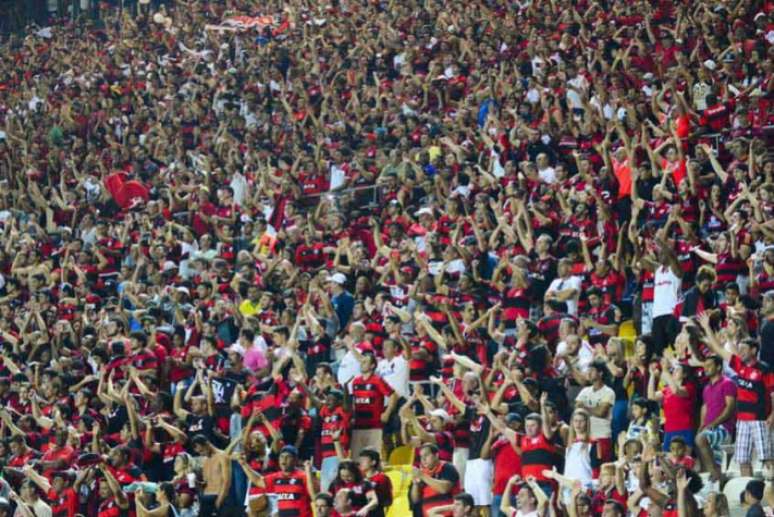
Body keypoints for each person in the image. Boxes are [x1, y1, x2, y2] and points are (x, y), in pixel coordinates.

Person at [237, 445, 315, 517]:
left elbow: (314, 496)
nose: (284, 460)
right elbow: (258, 480)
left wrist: (309, 473)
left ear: (295, 460)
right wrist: (244, 464)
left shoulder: (303, 476)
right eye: (282, 457)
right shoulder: (275, 477)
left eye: (288, 457)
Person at [695, 355, 737, 482]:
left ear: (718, 367)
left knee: (701, 439)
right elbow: (705, 407)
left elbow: (730, 408)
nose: (706, 368)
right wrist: (702, 425)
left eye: (709, 366)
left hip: (724, 427)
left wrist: (712, 424)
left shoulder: (728, 383)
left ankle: (715, 476)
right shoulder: (707, 388)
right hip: (711, 428)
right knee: (700, 441)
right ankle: (713, 479)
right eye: (705, 366)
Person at [349, 353, 398, 458]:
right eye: (361, 361)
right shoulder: (355, 382)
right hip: (358, 426)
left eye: (365, 361)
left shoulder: (377, 380)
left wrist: (387, 413)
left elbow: (393, 395)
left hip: (374, 426)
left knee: (374, 458)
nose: (362, 363)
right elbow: (354, 401)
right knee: (356, 459)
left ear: (372, 365)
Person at [410, 444, 461, 517]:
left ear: (436, 455)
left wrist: (422, 476)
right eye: (421, 457)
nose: (423, 459)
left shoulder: (447, 467)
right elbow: (415, 500)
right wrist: (415, 484)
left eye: (426, 455)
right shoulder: (422, 473)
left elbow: (444, 489)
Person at [191, 434, 232, 516]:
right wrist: (197, 483)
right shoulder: (205, 461)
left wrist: (219, 501)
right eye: (199, 452)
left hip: (219, 497)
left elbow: (227, 482)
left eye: (202, 450)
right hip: (206, 497)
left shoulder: (222, 456)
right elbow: (206, 483)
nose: (201, 454)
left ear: (207, 443)